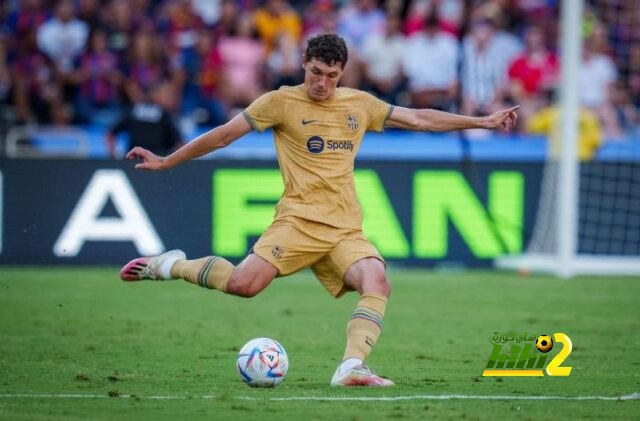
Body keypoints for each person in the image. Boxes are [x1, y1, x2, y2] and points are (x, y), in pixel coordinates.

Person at [120, 34, 518, 387]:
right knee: (244, 285)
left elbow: (418, 118)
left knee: (376, 281)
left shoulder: (359, 104)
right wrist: (168, 161)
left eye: (331, 75)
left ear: (342, 72)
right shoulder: (279, 102)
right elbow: (224, 136)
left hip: (344, 228)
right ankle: (170, 265)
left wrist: (480, 120)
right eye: (315, 72)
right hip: (297, 221)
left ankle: (350, 367)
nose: (322, 83)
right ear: (303, 64)